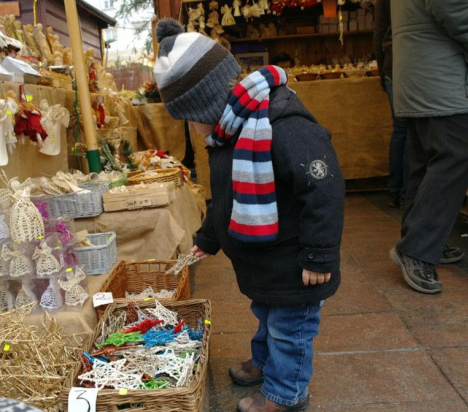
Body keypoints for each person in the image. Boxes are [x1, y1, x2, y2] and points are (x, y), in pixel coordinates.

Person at [154, 18, 345, 412]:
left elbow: (323, 188)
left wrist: (320, 254)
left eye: (190, 118)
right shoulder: (230, 131)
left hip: (295, 262)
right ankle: (265, 361)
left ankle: (286, 392)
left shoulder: (283, 125)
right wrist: (208, 238)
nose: (192, 128)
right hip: (266, 263)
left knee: (290, 329)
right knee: (267, 314)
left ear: (206, 102)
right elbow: (225, 195)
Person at [389, 1, 468, 294]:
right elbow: (460, 12)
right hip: (440, 77)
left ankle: (421, 239)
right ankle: (417, 248)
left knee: (428, 161)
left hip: (427, 73)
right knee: (455, 156)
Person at [374, 0, 408, 209]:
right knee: (409, 130)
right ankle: (405, 192)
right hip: (404, 63)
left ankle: (396, 191)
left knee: (401, 130)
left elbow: (379, 33)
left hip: (392, 64)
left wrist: (382, 71)